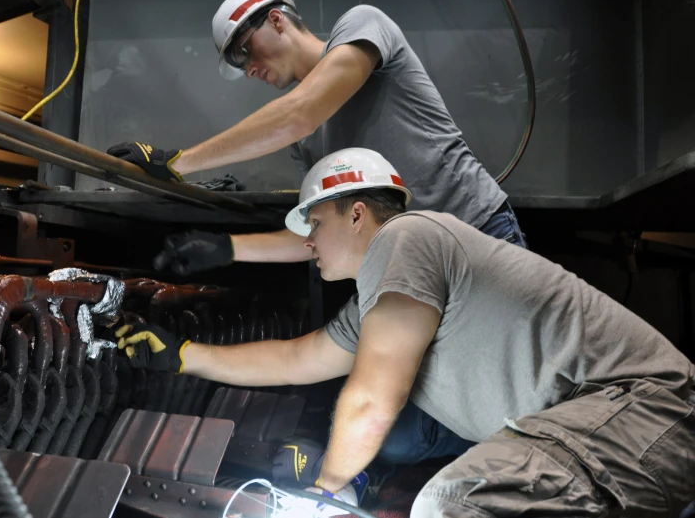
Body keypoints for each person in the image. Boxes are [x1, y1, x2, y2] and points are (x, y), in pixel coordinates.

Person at [115, 148, 695, 517]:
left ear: (358, 214)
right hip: (599, 433)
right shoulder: (382, 295)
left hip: (644, 413)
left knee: (454, 501)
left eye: (314, 223)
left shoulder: (407, 238)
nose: (308, 243)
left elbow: (373, 397)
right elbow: (300, 357)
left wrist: (326, 490)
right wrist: (184, 355)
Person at [106, 0, 526, 277]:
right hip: (413, 266)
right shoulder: (309, 141)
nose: (248, 68)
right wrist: (226, 247)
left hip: (477, 232)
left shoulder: (363, 24)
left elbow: (300, 112)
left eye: (245, 51)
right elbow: (321, 234)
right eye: (239, 63)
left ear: (276, 19)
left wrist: (174, 162)